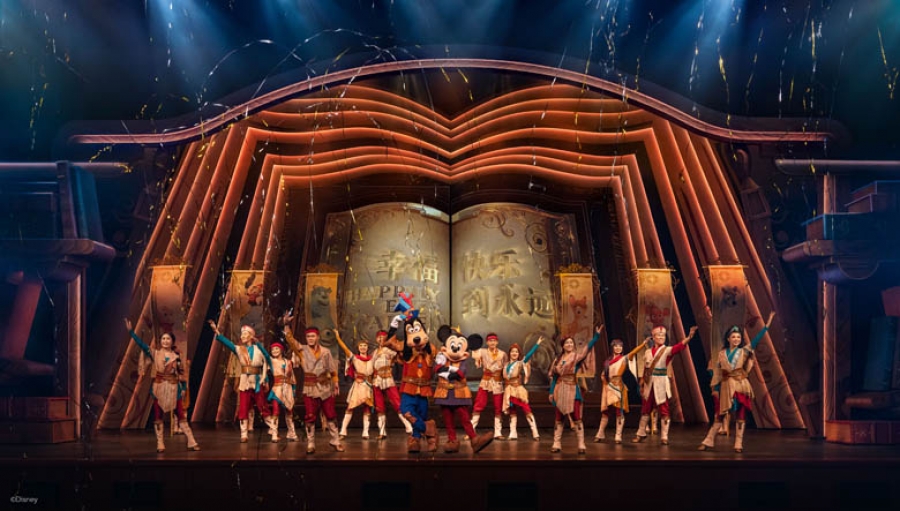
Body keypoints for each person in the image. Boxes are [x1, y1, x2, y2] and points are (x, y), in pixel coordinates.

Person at [699, 312, 776, 453]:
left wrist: (767, 325)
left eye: (738, 337)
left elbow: (756, 339)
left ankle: (738, 443)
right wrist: (715, 388)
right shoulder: (722, 354)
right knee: (720, 415)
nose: (736, 339)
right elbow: (716, 372)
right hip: (726, 385)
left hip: (740, 385)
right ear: (728, 339)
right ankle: (708, 440)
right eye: (733, 337)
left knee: (741, 414)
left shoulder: (744, 351)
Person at [126, 318, 200, 453]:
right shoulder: (155, 353)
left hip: (174, 388)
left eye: (168, 339)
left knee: (180, 415)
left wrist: (183, 389)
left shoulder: (176, 357)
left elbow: (182, 375)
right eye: (163, 339)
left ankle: (191, 440)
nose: (165, 341)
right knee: (158, 416)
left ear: (172, 341)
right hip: (159, 388)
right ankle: (160, 442)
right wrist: (131, 332)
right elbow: (142, 345)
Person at [281, 313, 344, 453]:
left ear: (318, 337)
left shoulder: (326, 352)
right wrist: (286, 325)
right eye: (308, 336)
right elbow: (290, 340)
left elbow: (332, 370)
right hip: (310, 388)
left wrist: (336, 384)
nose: (310, 338)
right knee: (310, 416)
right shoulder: (302, 350)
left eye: (312, 336)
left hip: (325, 387)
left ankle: (335, 440)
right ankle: (311, 443)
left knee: (331, 414)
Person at [208, 320, 276, 443]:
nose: (242, 336)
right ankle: (244, 434)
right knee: (243, 407)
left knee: (263, 406)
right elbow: (229, 344)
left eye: (245, 334)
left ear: (251, 336)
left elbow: (266, 359)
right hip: (245, 382)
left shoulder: (258, 349)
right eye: (241, 334)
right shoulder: (240, 350)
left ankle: (274, 430)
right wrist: (217, 332)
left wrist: (265, 379)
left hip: (256, 381)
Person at [631, 325, 698, 445]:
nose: (661, 337)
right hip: (649, 383)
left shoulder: (667, 350)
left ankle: (664, 436)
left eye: (663, 335)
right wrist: (642, 381)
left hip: (661, 383)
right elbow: (646, 368)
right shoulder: (647, 352)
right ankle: (641, 433)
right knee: (645, 408)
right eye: (658, 335)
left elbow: (679, 347)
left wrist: (689, 337)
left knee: (664, 409)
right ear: (653, 337)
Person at [548, 325, 604, 454]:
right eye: (567, 343)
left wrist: (596, 336)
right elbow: (555, 377)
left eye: (571, 343)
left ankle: (581, 444)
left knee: (576, 417)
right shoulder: (557, 360)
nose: (569, 344)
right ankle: (556, 443)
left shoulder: (576, 357)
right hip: (559, 390)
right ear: (563, 346)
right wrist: (551, 392)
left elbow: (586, 349)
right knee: (559, 417)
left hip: (572, 390)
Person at [594, 338, 647, 443]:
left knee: (619, 412)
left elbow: (633, 352)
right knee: (605, 412)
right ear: (612, 347)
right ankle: (600, 433)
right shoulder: (607, 361)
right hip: (609, 388)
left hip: (619, 388)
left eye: (620, 346)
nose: (618, 348)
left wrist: (643, 344)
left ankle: (618, 436)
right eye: (616, 346)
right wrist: (604, 380)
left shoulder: (624, 359)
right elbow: (604, 374)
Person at [370, 329, 413, 439]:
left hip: (388, 378)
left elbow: (400, 357)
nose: (381, 339)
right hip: (377, 380)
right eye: (379, 337)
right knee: (379, 406)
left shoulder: (389, 350)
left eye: (383, 337)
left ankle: (409, 427)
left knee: (397, 402)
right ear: (376, 339)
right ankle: (382, 432)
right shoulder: (374, 352)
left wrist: (397, 348)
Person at [334, 330, 375, 440]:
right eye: (361, 346)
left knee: (367, 408)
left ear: (367, 347)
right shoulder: (355, 358)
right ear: (358, 348)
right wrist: (338, 338)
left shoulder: (372, 359)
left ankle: (365, 432)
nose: (363, 347)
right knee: (350, 407)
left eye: (365, 345)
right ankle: (343, 431)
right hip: (358, 385)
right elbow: (345, 349)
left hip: (368, 385)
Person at [502, 338, 543, 441]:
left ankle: (535, 433)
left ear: (518, 354)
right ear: (509, 353)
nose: (514, 353)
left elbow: (528, 355)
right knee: (512, 411)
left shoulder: (519, 363)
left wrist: (537, 344)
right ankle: (513, 433)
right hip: (508, 390)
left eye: (516, 352)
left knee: (526, 409)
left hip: (517, 390)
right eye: (512, 351)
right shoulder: (506, 365)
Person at [470, 333, 508, 439]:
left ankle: (498, 433)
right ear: (487, 342)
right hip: (485, 381)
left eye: (494, 341)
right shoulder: (482, 351)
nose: (492, 342)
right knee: (479, 404)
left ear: (497, 342)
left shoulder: (503, 354)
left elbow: (506, 368)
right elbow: (477, 362)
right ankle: (471, 431)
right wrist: (476, 356)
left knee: (498, 406)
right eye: (490, 341)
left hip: (497, 382)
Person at [267, 338, 299, 442]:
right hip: (277, 389)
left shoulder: (289, 362)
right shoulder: (272, 361)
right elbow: (265, 354)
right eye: (272, 349)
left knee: (289, 412)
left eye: (276, 349)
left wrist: (293, 392)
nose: (274, 351)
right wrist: (257, 343)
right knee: (275, 411)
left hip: (288, 389)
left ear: (281, 350)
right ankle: (274, 434)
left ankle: (291, 433)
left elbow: (292, 379)